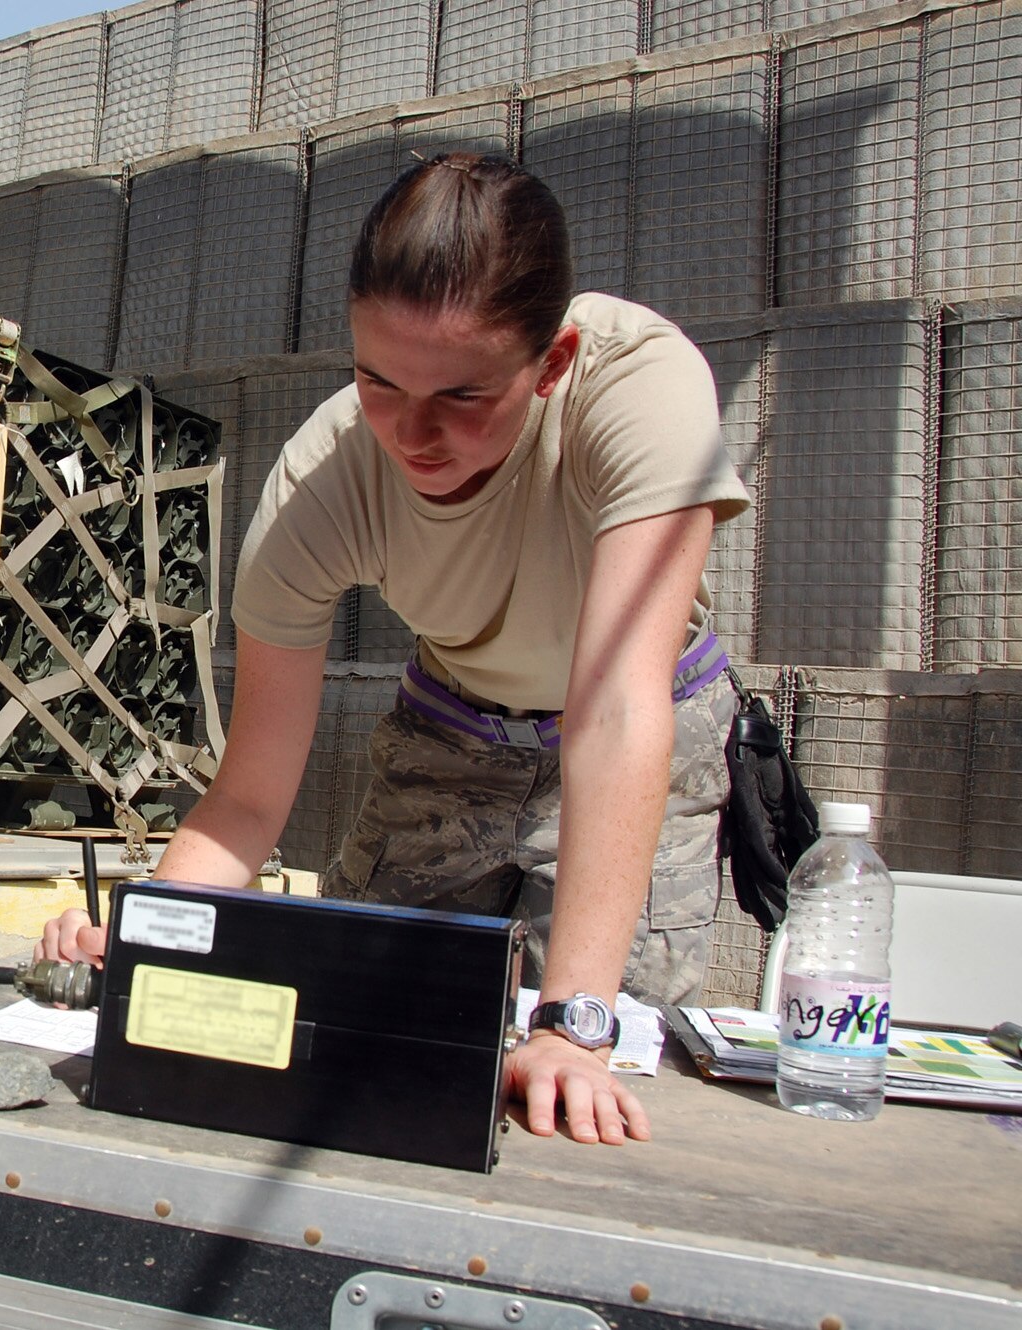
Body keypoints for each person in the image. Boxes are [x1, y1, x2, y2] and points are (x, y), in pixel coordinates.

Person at [37, 152, 748, 1148]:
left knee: (580, 1089)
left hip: (636, 727)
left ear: (550, 363)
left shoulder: (639, 387)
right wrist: (153, 931)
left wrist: (570, 1021)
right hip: (450, 729)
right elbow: (247, 795)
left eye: (460, 396)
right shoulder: (321, 481)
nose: (409, 434)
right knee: (356, 1025)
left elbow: (618, 705)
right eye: (376, 380)